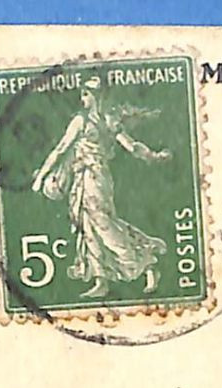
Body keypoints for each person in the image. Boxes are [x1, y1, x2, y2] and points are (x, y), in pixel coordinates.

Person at [30, 77, 172, 298]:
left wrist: (41, 177)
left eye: (86, 94)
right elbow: (131, 147)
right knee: (88, 225)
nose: (82, 98)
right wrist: (152, 156)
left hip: (95, 178)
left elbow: (60, 150)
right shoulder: (101, 119)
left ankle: (144, 264)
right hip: (84, 178)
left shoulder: (94, 120)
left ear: (96, 96)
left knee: (103, 224)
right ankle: (101, 280)